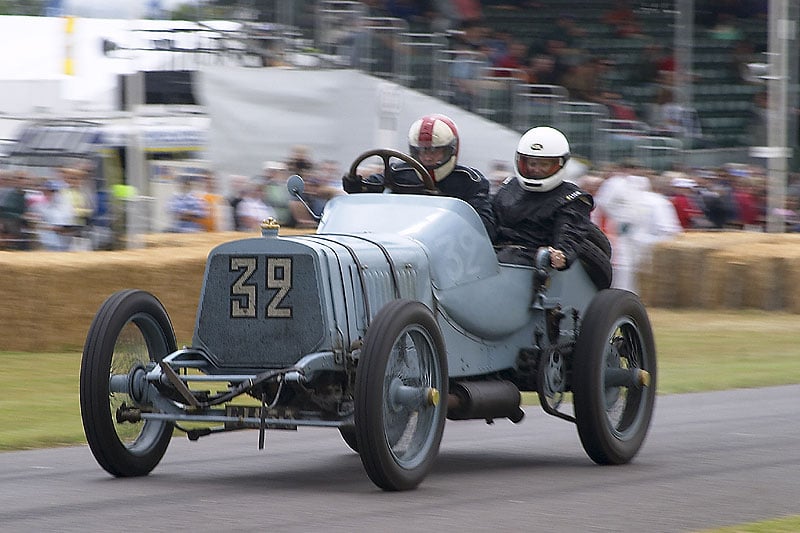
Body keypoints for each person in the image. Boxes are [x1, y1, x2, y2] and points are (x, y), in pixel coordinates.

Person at [342, 113, 496, 239]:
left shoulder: (470, 181)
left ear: (450, 150)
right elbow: (370, 185)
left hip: (447, 247)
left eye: (434, 151)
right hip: (400, 238)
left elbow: (485, 228)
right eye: (422, 151)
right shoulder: (399, 172)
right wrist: (355, 184)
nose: (427, 157)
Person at [491, 126, 600, 274]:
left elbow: (571, 232)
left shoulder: (573, 198)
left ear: (560, 164)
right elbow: (488, 221)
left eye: (544, 164)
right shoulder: (509, 186)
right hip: (493, 254)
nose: (536, 169)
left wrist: (561, 254)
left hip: (532, 263)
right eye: (532, 163)